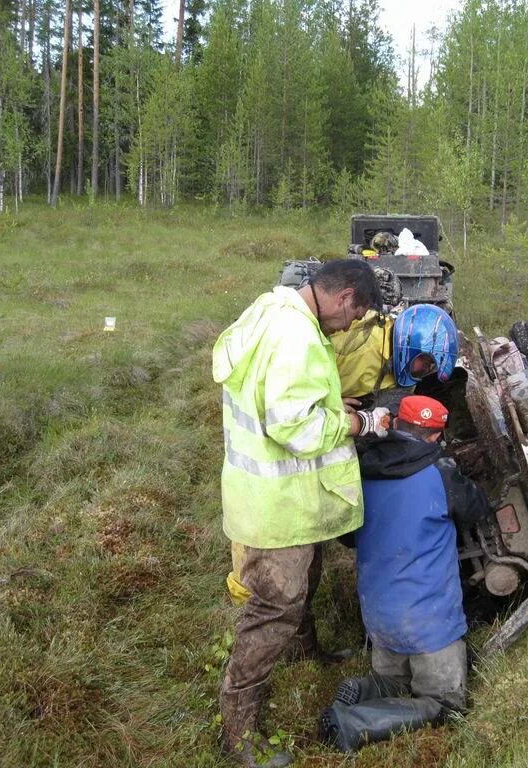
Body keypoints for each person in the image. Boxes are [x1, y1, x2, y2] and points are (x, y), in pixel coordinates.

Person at [212, 258, 390, 767]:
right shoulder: (298, 336)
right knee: (274, 606)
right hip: (275, 504)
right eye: (353, 317)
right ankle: (239, 729)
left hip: (267, 491)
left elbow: (286, 397)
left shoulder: (274, 308)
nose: (349, 328)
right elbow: (296, 428)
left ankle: (302, 649)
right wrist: (358, 426)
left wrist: (338, 404)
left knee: (305, 577)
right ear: (344, 298)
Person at [319, 395, 488, 753]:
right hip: (430, 625)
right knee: (446, 704)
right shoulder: (440, 473)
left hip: (379, 619)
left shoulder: (360, 471)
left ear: (394, 423)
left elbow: (348, 537)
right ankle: (354, 724)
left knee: (397, 681)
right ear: (435, 436)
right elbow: (476, 512)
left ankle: (369, 689)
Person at [333, 302, 459, 412]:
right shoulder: (361, 348)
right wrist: (332, 405)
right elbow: (314, 370)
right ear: (409, 347)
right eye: (426, 362)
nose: (426, 369)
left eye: (430, 366)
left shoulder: (401, 367)